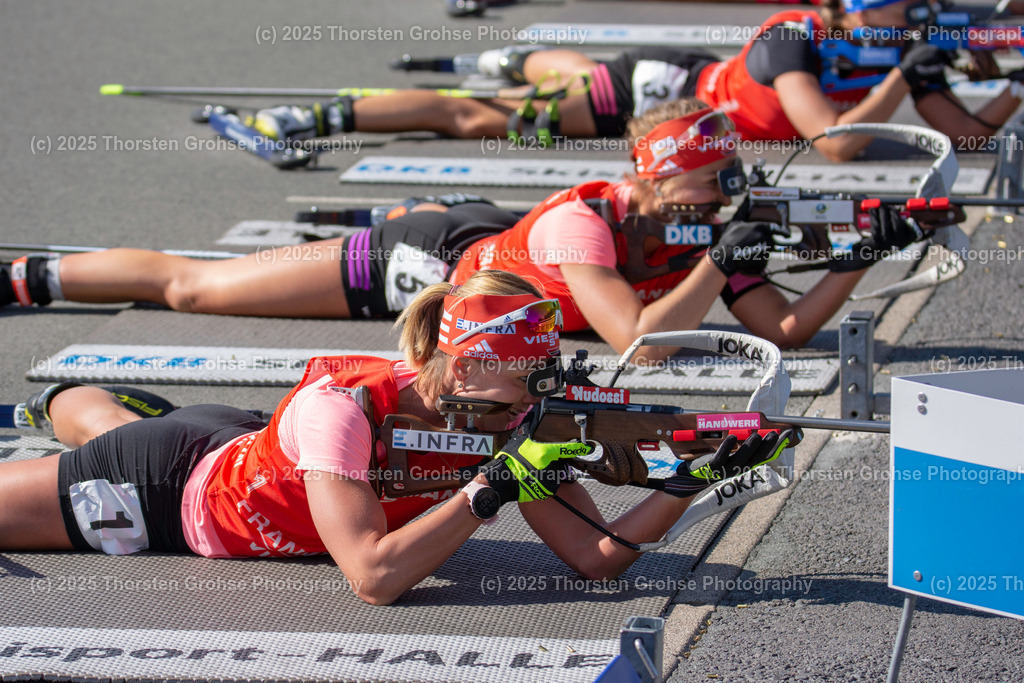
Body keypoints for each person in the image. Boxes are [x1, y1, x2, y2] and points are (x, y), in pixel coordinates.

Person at [0, 270, 792, 605]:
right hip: (170, 493)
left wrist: (688, 484)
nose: (538, 399)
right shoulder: (346, 409)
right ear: (465, 368)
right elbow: (374, 578)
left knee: (108, 422)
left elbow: (596, 558)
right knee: (89, 454)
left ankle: (75, 403)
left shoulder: (512, 416)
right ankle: (69, 403)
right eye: (528, 379)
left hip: (241, 445)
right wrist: (491, 489)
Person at [1, 100, 923, 358]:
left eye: (731, 176)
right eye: (713, 177)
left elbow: (791, 330)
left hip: (494, 259)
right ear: (655, 173)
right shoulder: (584, 224)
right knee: (195, 285)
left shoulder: (701, 228)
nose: (730, 189)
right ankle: (26, 278)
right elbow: (638, 342)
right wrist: (722, 263)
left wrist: (866, 248)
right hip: (432, 260)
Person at [247, 0, 1022, 162]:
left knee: (547, 86)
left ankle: (523, 57)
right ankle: (314, 112)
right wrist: (907, 79)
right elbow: (834, 145)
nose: (909, 9)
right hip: (661, 97)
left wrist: (1015, 87)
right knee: (485, 120)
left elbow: (965, 139)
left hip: (691, 107)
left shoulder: (903, 43)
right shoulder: (796, 38)